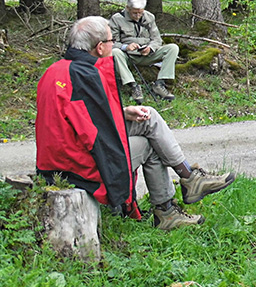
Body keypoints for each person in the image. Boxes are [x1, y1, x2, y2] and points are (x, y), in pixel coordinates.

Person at [35, 16, 235, 231]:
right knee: (149, 145)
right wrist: (118, 185)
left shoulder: (57, 70)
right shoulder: (83, 76)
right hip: (74, 166)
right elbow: (93, 134)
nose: (114, 46)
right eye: (112, 41)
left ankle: (187, 180)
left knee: (149, 115)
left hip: (58, 157)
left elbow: (81, 118)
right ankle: (169, 206)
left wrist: (122, 113)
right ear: (100, 47)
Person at [109, 0, 180, 103]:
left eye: (140, 12)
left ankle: (160, 84)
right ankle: (133, 86)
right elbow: (111, 43)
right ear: (127, 8)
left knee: (173, 48)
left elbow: (157, 39)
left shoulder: (149, 17)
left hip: (148, 54)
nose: (138, 16)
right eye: (134, 13)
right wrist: (126, 47)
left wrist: (150, 48)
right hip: (128, 56)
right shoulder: (116, 19)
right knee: (115, 52)